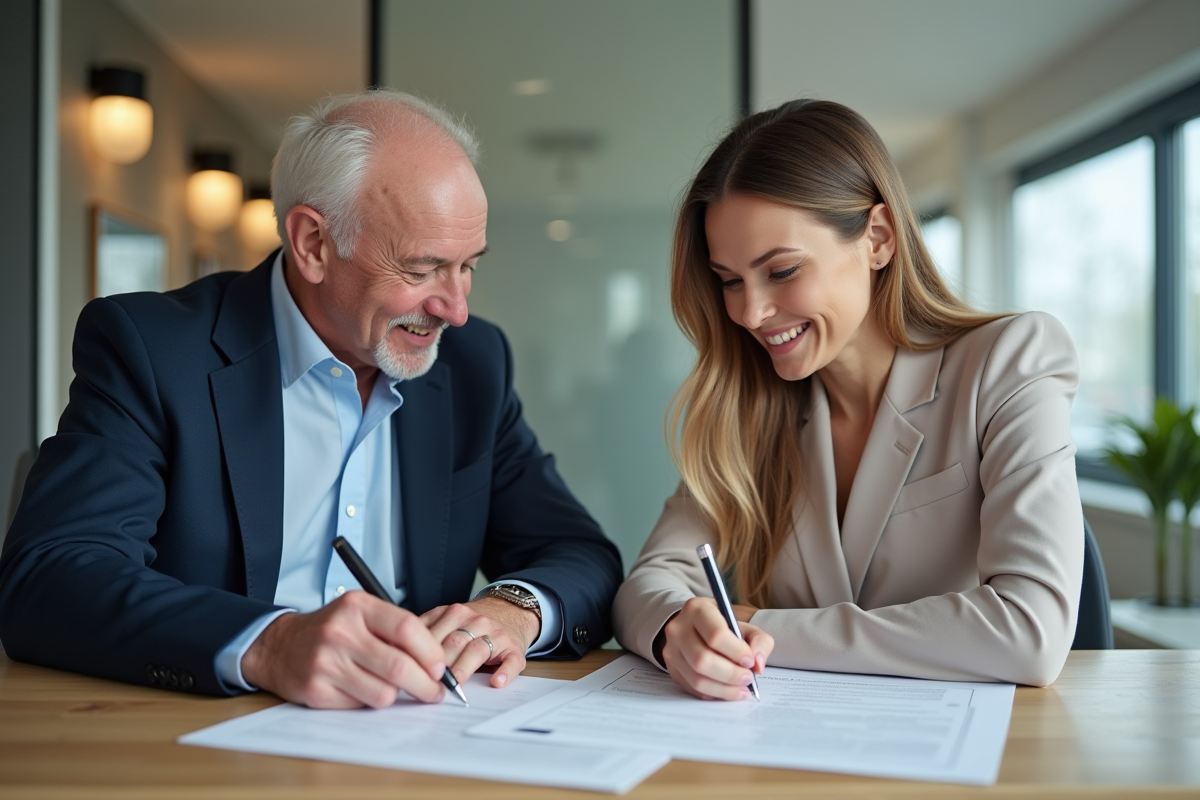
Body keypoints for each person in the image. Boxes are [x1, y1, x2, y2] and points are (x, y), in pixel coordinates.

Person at [0, 90, 622, 708]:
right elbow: (51, 575)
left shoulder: (474, 364)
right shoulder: (154, 351)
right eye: (422, 269)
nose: (455, 310)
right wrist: (270, 643)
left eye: (468, 267)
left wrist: (511, 611)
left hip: (416, 737)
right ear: (313, 244)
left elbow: (579, 554)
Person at [612, 99, 1083, 699]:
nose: (749, 312)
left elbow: (1030, 631)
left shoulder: (1008, 361)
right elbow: (646, 584)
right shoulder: (751, 408)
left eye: (780, 271)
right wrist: (679, 627)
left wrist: (760, 627)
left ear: (878, 238)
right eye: (730, 280)